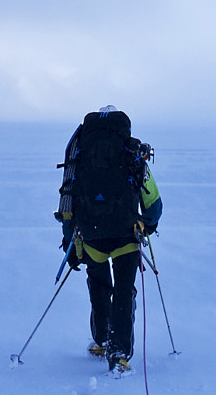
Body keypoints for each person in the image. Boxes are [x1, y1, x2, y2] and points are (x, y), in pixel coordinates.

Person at [56, 105, 161, 373]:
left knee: (99, 285)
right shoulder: (132, 154)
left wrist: (70, 242)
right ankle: (119, 353)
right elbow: (154, 205)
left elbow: (68, 201)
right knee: (124, 289)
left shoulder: (79, 155)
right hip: (126, 234)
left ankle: (102, 340)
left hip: (90, 235)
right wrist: (146, 225)